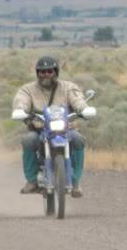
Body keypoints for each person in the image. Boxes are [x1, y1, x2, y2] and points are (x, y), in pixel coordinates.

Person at [12, 55, 94, 197]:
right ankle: (32, 180)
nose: (46, 74)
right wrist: (20, 110)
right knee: (28, 140)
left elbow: (78, 100)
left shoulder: (68, 87)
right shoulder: (27, 89)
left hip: (65, 129)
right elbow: (21, 101)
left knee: (78, 139)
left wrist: (84, 109)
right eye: (42, 72)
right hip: (39, 129)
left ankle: (75, 181)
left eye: (49, 71)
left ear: (56, 72)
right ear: (37, 73)